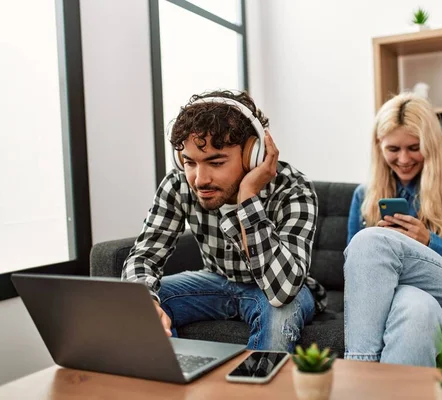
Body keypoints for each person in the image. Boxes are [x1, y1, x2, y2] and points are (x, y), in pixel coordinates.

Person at [122, 90, 326, 352]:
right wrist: (145, 301)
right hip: (214, 280)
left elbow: (282, 290)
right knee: (138, 307)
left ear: (253, 156)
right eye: (190, 162)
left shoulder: (292, 189)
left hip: (275, 291)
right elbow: (143, 257)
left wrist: (247, 199)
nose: (200, 179)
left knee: (280, 316)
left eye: (215, 162)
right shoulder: (179, 184)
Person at [343, 92, 442, 366]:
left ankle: (358, 371)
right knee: (417, 311)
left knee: (372, 241)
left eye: (414, 147)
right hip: (398, 298)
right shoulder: (364, 195)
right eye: (393, 149)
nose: (403, 159)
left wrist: (429, 241)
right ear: (379, 145)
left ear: (431, 145)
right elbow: (355, 276)